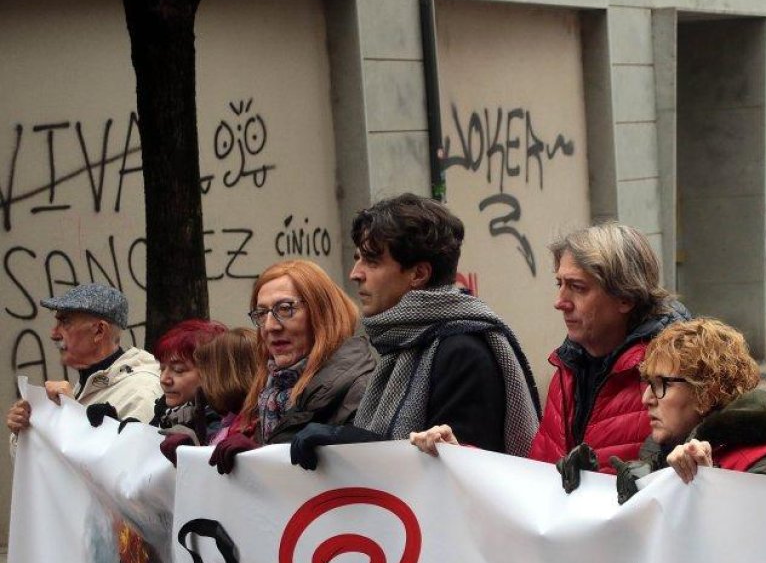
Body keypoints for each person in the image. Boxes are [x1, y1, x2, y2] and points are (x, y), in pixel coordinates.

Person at [289, 194, 540, 470]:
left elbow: (458, 471)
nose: (355, 274)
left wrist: (346, 441)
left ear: (418, 274)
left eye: (372, 261)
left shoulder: (463, 352)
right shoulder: (403, 342)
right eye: (358, 259)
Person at [527, 223, 689, 483]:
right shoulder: (567, 368)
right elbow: (537, 476)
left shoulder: (674, 378)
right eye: (560, 283)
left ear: (625, 298)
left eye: (577, 287)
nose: (560, 302)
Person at [207, 260, 375, 473]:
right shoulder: (267, 393)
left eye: (285, 309)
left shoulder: (361, 388)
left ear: (322, 313)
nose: (270, 326)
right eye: (262, 313)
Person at [611, 318, 766, 503]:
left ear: (707, 391)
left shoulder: (756, 464)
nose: (646, 399)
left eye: (661, 384)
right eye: (649, 383)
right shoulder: (658, 452)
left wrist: (709, 483)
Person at [6, 283, 161, 448]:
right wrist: (25, 432)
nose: (54, 334)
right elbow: (55, 461)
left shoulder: (140, 392)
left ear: (99, 331)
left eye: (65, 322)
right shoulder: (91, 384)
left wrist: (73, 412)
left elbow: (128, 460)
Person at [160, 328, 257, 464]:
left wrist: (191, 451)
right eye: (161, 368)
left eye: (207, 372)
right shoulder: (230, 420)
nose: (203, 380)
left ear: (229, 375)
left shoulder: (253, 424)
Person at [149, 319, 227, 433]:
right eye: (162, 369)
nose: (164, 379)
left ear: (212, 372)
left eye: (178, 370)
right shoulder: (163, 413)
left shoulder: (222, 425)